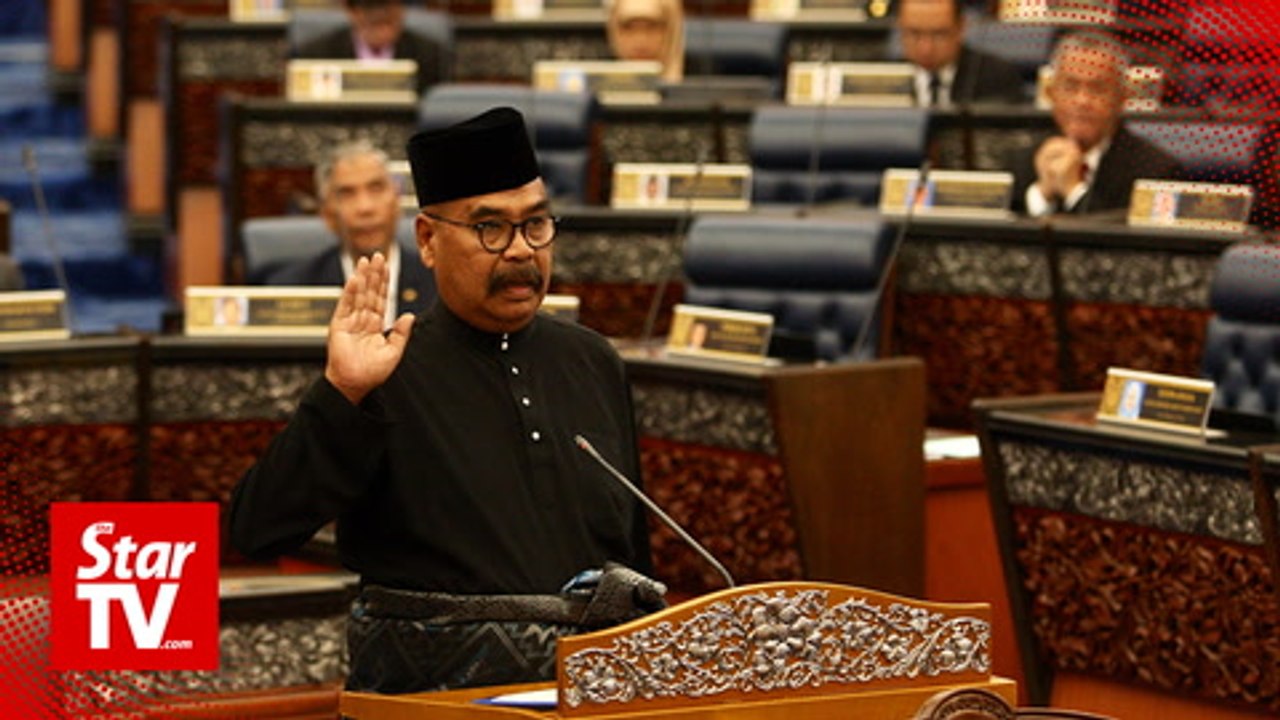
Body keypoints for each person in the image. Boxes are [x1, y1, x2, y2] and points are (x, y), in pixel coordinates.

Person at [229, 107, 661, 694]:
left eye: (536, 225)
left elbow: (632, 558)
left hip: (591, 697)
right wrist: (343, 394)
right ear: (428, 241)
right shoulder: (386, 369)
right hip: (439, 703)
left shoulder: (593, 361)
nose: (519, 251)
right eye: (490, 229)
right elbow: (256, 530)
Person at [266, 140, 435, 330]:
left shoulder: (438, 283)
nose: (365, 207)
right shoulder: (294, 289)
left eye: (376, 188)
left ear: (397, 202)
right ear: (326, 214)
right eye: (347, 194)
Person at [1011, 31, 1181, 216]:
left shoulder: (1155, 172)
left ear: (1122, 98)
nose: (1082, 100)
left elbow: (1129, 241)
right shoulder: (1020, 163)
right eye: (1071, 86)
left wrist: (1074, 192)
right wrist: (1041, 195)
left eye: (1097, 89)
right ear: (1051, 94)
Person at [293, 0, 443, 94]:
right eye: (369, 5)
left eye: (386, 4)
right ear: (350, 10)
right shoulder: (314, 55)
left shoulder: (431, 55)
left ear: (401, 8)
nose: (379, 14)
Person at [896, 0, 1026, 107]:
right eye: (914, 34)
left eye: (939, 34)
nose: (926, 48)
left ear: (961, 28)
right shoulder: (883, 75)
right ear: (899, 27)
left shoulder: (997, 76)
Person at [606, 0, 684, 83]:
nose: (640, 41)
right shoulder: (595, 86)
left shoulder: (696, 78)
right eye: (629, 27)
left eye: (652, 27)